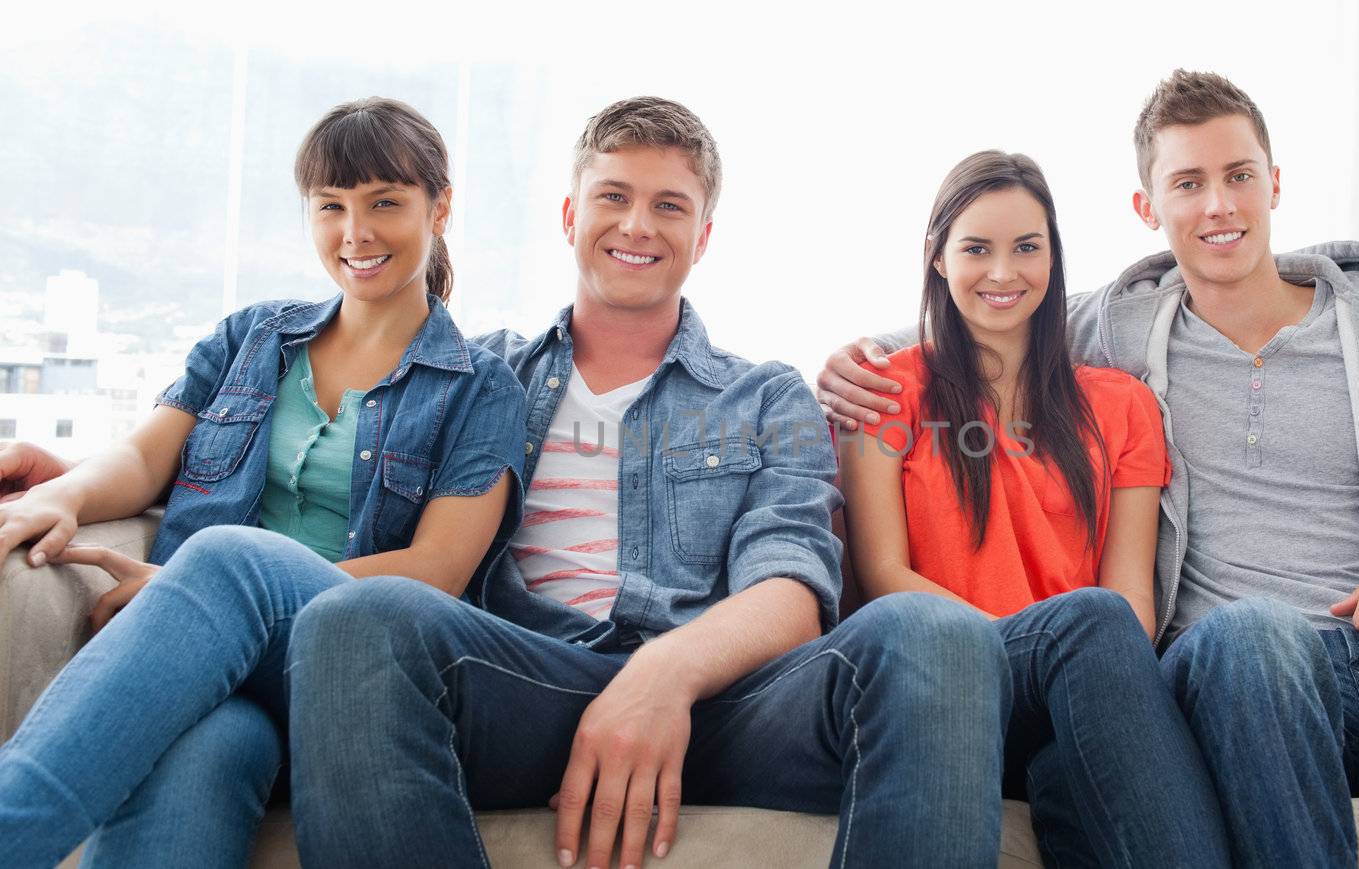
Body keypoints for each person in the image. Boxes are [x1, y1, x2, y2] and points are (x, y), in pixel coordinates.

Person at [819, 69, 1359, 865]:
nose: (1219, 206)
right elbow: (991, 314)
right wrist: (859, 359)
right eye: (1188, 183)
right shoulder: (1120, 326)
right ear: (1148, 208)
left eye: (1239, 176)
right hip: (1234, 665)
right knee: (1254, 633)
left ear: (1276, 183)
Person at [273, 97, 1009, 869]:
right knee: (356, 620)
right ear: (568, 215)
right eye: (613, 197)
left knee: (937, 630)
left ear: (704, 235)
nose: (637, 226)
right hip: (520, 682)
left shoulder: (764, 395)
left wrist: (665, 673)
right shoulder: (477, 374)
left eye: (669, 206)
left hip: (723, 708)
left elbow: (793, 585)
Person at [0, 96, 526, 869]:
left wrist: (211, 594)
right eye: (332, 206)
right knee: (204, 748)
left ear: (439, 207)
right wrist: (62, 494)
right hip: (228, 680)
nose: (357, 233)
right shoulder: (253, 337)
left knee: (224, 562)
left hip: (350, 666)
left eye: (386, 203)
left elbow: (436, 571)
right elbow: (148, 457)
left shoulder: (481, 386)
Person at [837, 148, 1229, 867]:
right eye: (976, 249)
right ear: (936, 258)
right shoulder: (884, 392)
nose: (1002, 273)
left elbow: (1131, 597)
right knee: (1092, 623)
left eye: (1026, 248)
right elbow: (883, 572)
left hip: (1079, 693)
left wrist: (1076, 662)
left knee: (1085, 719)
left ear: (1054, 257)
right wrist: (1030, 642)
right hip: (950, 678)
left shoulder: (1122, 405)